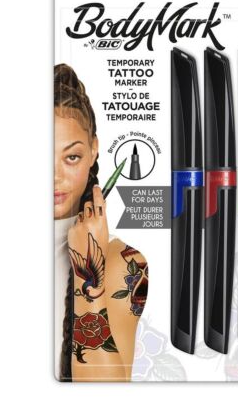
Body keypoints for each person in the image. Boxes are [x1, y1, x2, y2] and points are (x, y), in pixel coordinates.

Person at [54, 64, 148, 381]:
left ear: (94, 151)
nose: (54, 176)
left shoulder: (125, 264)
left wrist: (88, 270)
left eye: (71, 157)